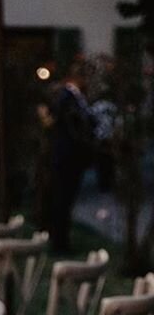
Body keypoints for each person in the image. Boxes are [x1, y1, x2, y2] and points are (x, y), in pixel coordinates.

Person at [48, 61, 96, 252]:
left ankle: (62, 239)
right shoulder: (67, 97)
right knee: (62, 199)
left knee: (66, 199)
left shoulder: (74, 97)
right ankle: (60, 242)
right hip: (67, 157)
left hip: (71, 157)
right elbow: (72, 126)